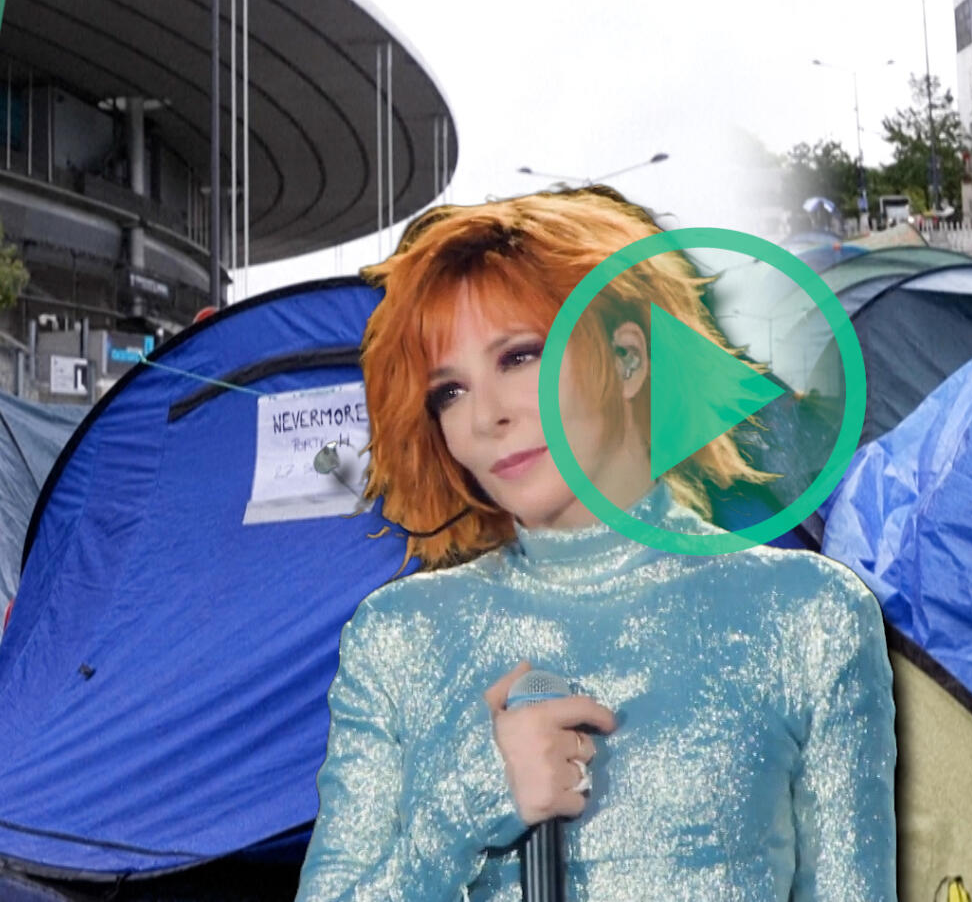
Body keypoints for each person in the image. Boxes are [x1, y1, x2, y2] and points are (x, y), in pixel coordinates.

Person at [295, 186, 897, 901]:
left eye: (518, 357)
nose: (485, 416)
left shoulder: (811, 616)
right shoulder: (396, 639)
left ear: (628, 358)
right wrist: (475, 795)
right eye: (449, 392)